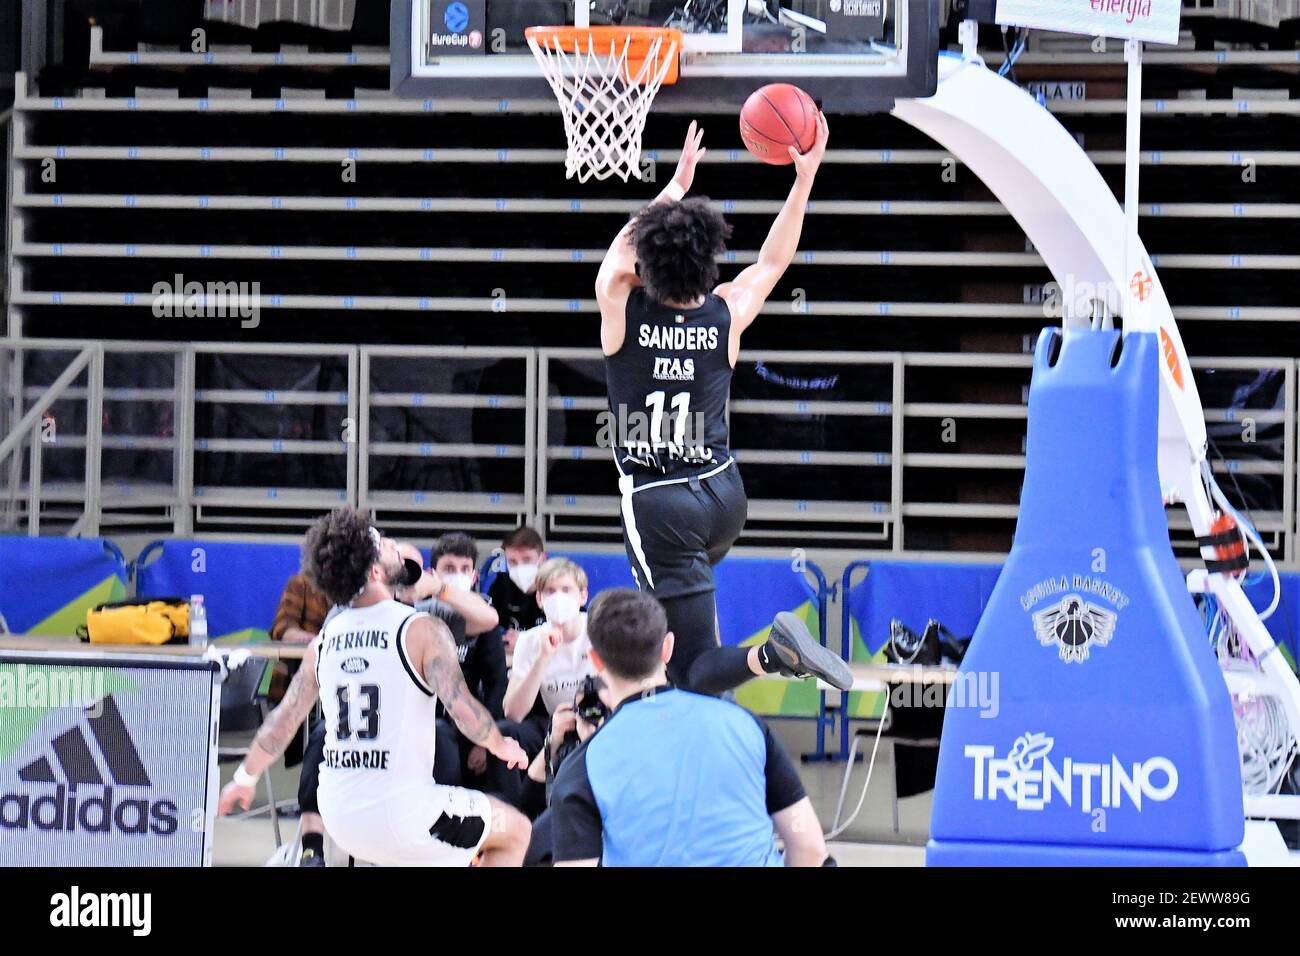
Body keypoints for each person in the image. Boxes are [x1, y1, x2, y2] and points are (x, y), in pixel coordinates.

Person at [594, 117, 853, 696]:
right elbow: (772, 262)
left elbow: (617, 256)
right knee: (685, 626)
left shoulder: (621, 306)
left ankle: (772, 654)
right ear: (706, 263)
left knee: (688, 669)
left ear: (649, 265)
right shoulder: (725, 310)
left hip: (661, 502)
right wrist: (803, 181)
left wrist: (675, 188)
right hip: (724, 493)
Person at [217, 508, 532, 867]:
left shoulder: (323, 642)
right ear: (375, 571)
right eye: (384, 544)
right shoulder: (421, 630)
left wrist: (244, 777)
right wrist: (500, 743)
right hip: (404, 813)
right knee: (517, 830)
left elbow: (284, 719)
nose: (395, 545)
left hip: (339, 814)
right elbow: (461, 708)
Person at [550, 588, 832, 867]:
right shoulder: (745, 726)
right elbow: (810, 850)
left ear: (596, 660)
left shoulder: (582, 765)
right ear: (668, 648)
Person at [489, 557, 597, 813]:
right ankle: (513, 817)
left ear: (582, 596)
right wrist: (543, 657)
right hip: (550, 722)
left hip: (597, 721)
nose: (558, 597)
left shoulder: (598, 630)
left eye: (566, 590)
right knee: (504, 732)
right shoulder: (529, 641)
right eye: (550, 591)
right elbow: (513, 712)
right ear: (539, 600)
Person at [428, 532, 509, 782]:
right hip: (422, 719)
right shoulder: (415, 614)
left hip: (468, 725)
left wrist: (485, 742)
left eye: (465, 568)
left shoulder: (484, 619)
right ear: (433, 574)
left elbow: (497, 683)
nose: (457, 574)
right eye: (449, 568)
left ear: (474, 576)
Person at [485, 525, 548, 653]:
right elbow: (489, 632)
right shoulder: (500, 586)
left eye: (527, 559)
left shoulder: (557, 588)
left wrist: (525, 642)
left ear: (542, 558)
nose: (520, 567)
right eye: (513, 562)